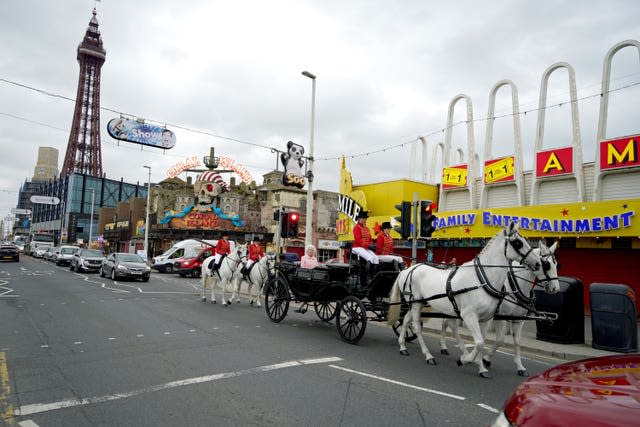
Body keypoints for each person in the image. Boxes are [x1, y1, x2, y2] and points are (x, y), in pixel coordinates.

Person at [351, 211, 378, 286]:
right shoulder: (356, 228)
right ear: (359, 219)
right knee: (370, 258)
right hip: (357, 247)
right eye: (363, 218)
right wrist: (368, 246)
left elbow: (370, 239)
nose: (364, 220)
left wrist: (372, 245)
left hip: (365, 247)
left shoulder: (367, 229)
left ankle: (373, 277)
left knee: (376, 259)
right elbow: (358, 240)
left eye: (365, 218)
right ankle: (367, 278)